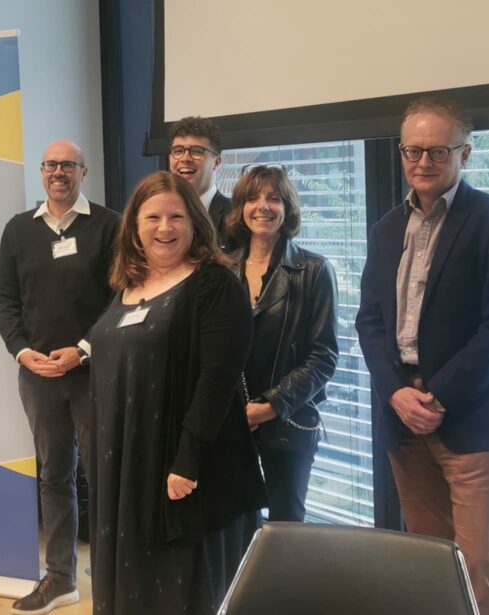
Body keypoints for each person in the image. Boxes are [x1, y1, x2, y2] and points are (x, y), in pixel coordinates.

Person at [355, 97, 489, 615]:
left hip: (473, 420)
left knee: (484, 573)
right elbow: (369, 321)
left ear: (466, 154)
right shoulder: (387, 228)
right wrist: (395, 392)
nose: (423, 162)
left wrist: (437, 397)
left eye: (438, 150)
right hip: (403, 419)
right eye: (413, 150)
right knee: (431, 569)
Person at [88, 171, 266, 614]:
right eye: (153, 217)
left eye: (176, 217)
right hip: (125, 463)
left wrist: (187, 460)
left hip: (182, 466)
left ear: (196, 224)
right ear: (134, 226)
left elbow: (217, 380)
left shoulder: (215, 285)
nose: (164, 228)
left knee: (179, 587)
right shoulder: (126, 285)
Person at [0, 139, 119, 614]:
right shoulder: (18, 230)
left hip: (94, 372)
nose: (58, 172)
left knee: (104, 476)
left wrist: (83, 349)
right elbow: (2, 299)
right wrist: (23, 352)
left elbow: (122, 297)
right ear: (42, 173)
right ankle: (61, 579)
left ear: (84, 172)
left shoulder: (109, 225)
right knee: (54, 476)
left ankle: (110, 577)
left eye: (68, 165)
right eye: (51, 165)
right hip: (38, 375)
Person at [225, 166, 339, 523]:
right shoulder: (222, 269)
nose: (263, 206)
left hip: (288, 420)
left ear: (287, 207)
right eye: (253, 198)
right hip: (230, 419)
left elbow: (324, 357)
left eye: (273, 198)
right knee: (234, 521)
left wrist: (270, 406)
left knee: (287, 530)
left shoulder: (315, 270)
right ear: (240, 208)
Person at [169, 116, 231, 248]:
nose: (185, 158)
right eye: (178, 151)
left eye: (196, 151)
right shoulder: (157, 214)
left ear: (217, 161)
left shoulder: (236, 216)